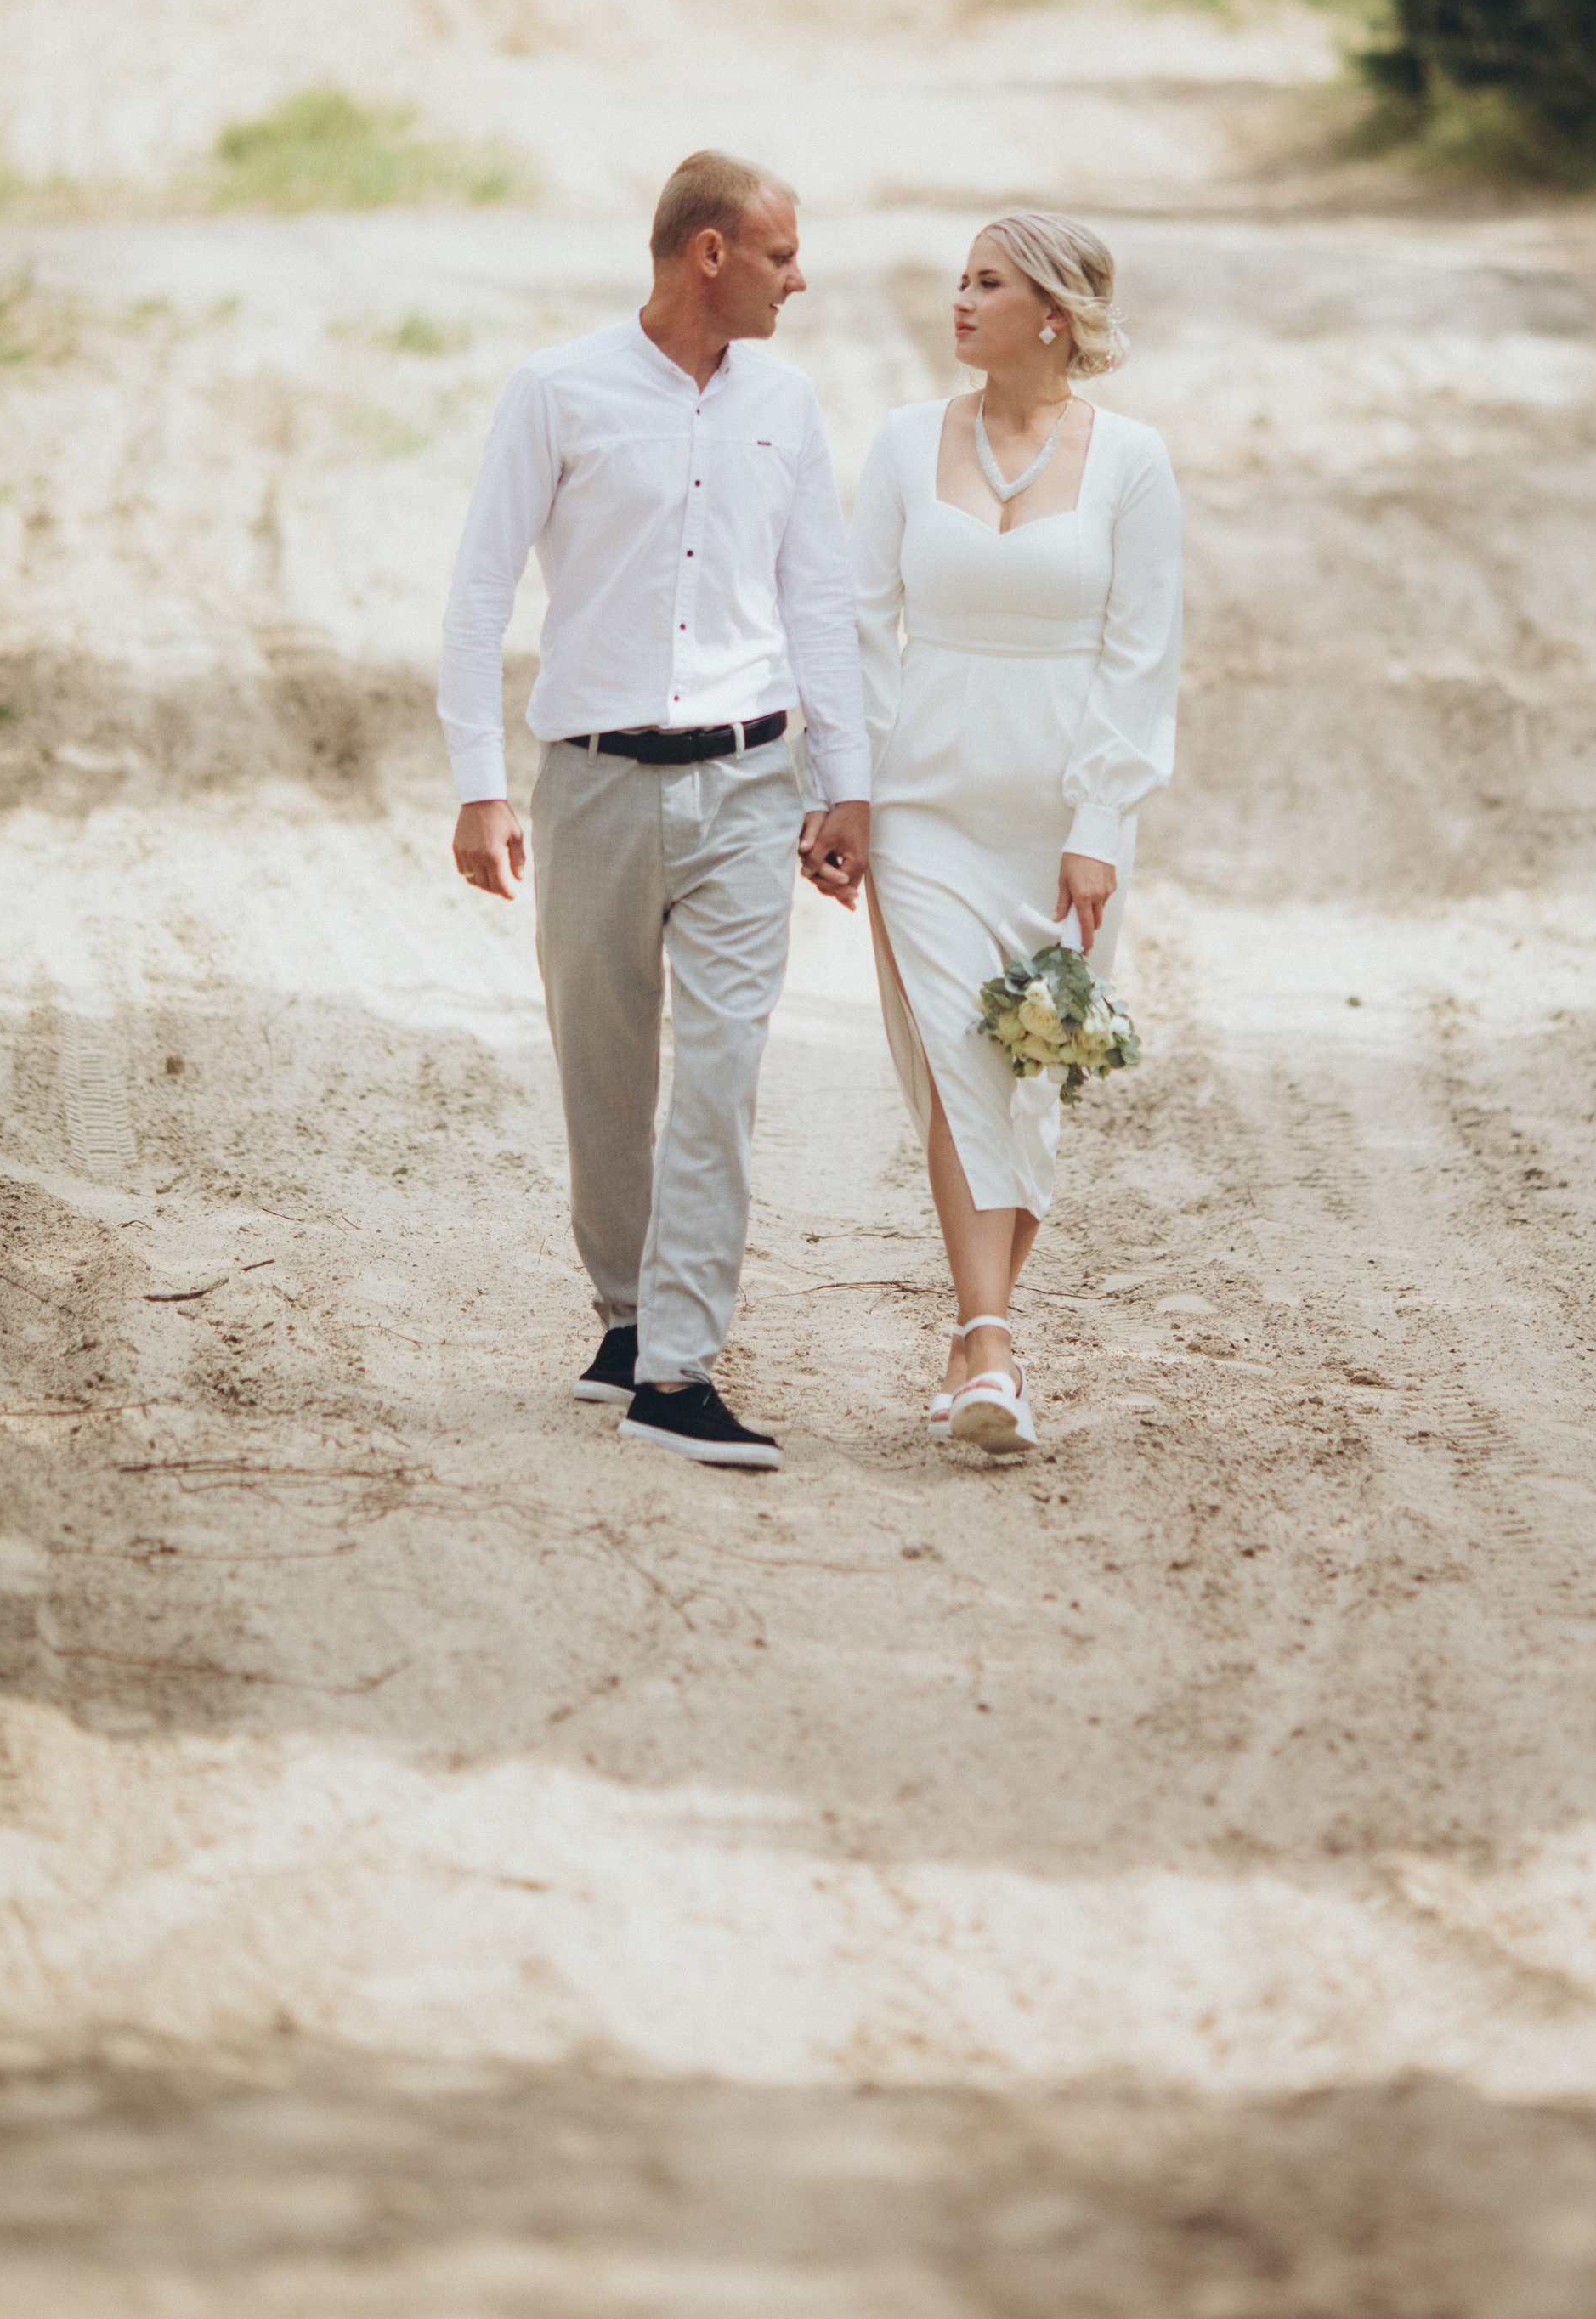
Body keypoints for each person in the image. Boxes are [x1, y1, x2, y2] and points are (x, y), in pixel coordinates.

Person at [439, 150, 869, 1473]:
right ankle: (626, 1323)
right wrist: (479, 788)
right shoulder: (559, 391)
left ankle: (679, 1366)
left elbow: (817, 605)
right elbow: (478, 593)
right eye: (782, 255)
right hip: (592, 781)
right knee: (605, 1068)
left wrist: (844, 782)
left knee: (723, 1073)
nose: (803, 278)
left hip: (749, 779)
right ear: (710, 254)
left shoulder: (787, 404)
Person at [852, 214, 1182, 1456]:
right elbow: (853, 623)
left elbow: (1143, 658)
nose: (959, 300)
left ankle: (971, 1338)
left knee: (1035, 1072)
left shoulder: (1133, 462)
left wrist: (1100, 820)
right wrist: (855, 791)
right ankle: (991, 1344)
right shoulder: (899, 444)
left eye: (985, 283)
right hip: (923, 807)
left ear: (1052, 311)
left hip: (1060, 823)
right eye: (960, 279)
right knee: (957, 1055)